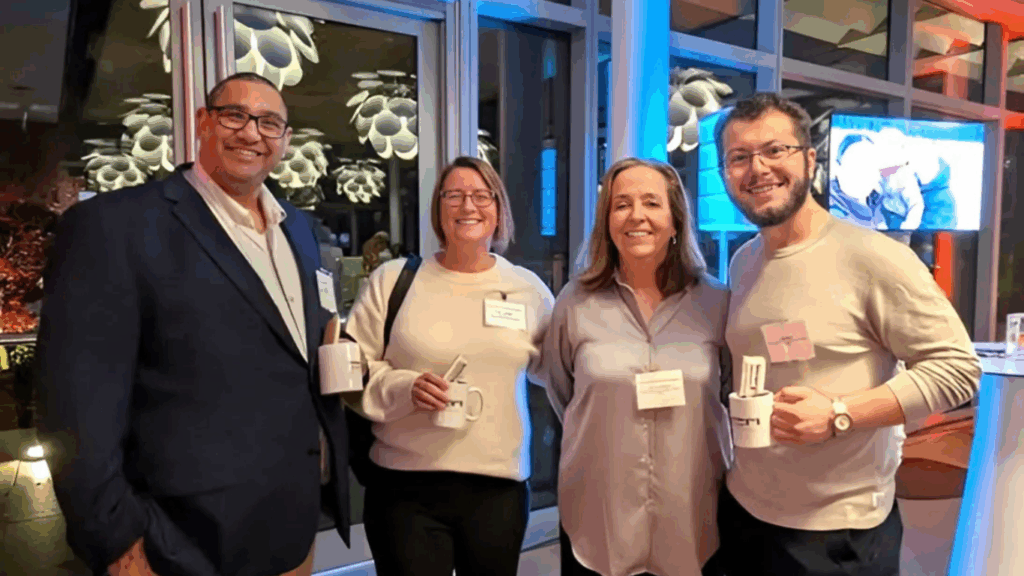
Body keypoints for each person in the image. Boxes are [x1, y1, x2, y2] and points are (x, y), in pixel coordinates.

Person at [36, 72, 350, 576]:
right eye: (235, 115)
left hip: (290, 527)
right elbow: (74, 402)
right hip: (179, 542)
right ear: (203, 122)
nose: (252, 133)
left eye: (270, 123)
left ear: (286, 141)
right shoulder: (116, 226)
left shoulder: (302, 231)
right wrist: (117, 541)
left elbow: (297, 353)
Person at [713, 92, 981, 575]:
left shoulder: (873, 256)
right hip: (747, 510)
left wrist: (840, 414)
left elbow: (958, 370)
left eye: (775, 150)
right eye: (739, 157)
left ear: (810, 159)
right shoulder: (745, 260)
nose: (758, 168)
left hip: (838, 533)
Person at [343, 156, 554, 576]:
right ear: (438, 209)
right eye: (453, 196)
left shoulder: (528, 290)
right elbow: (352, 371)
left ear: (499, 209)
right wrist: (404, 388)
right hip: (405, 489)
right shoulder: (394, 279)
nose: (467, 206)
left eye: (480, 195)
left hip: (499, 491)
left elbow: (564, 372)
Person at [539, 157, 731, 576]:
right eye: (621, 204)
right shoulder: (575, 302)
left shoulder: (718, 303)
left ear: (676, 219)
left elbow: (729, 398)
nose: (636, 216)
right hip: (599, 521)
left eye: (651, 202)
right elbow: (564, 395)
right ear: (607, 221)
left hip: (694, 523)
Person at [830, 129, 957, 231]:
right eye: (855, 163)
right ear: (837, 167)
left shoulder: (880, 195)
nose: (863, 171)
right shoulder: (834, 208)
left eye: (870, 163)